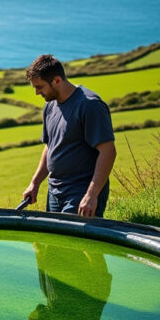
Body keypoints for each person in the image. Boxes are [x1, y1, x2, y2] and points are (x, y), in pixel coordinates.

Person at [21, 54, 116, 217]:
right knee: (53, 241)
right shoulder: (50, 106)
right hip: (55, 192)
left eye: (40, 87)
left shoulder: (89, 105)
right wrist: (35, 183)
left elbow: (108, 152)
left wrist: (91, 195)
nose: (37, 93)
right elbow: (50, 147)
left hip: (80, 192)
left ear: (57, 80)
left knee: (75, 241)